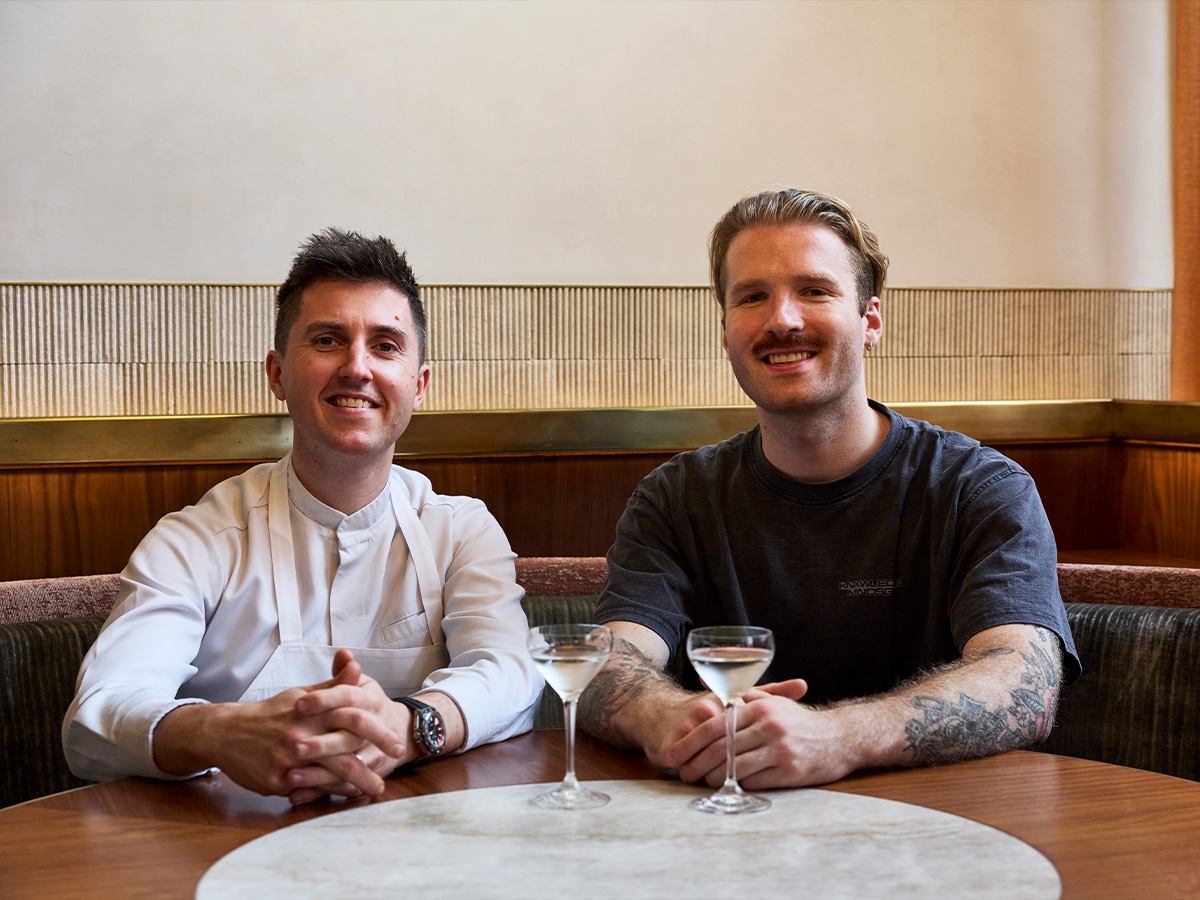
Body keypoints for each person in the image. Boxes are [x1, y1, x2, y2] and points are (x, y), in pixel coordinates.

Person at [578, 188, 1081, 790]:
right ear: (725, 331)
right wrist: (670, 718)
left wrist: (837, 738)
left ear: (870, 320)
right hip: (724, 835)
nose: (781, 319)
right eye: (752, 296)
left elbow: (1024, 683)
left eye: (814, 291)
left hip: (936, 840)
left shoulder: (979, 488)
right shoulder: (675, 497)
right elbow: (607, 661)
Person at [64, 228, 542, 805]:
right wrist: (218, 731)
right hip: (217, 842)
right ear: (277, 375)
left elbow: (512, 673)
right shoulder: (198, 538)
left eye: (385, 345)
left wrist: (410, 726)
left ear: (418, 387)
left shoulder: (461, 530)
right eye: (327, 339)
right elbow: (96, 719)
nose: (357, 368)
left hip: (419, 842)